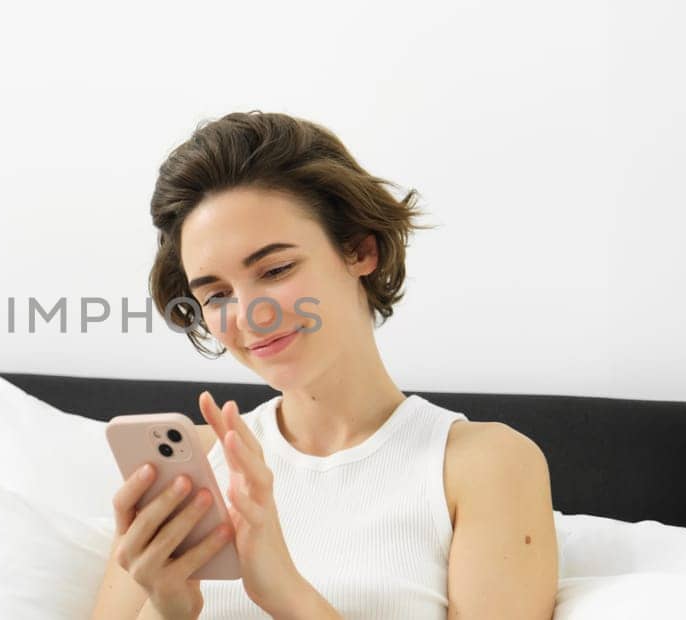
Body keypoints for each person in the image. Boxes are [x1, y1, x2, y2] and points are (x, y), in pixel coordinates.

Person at [90, 111, 558, 619]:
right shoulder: (192, 471)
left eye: (276, 269)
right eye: (217, 293)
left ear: (359, 250)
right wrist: (170, 610)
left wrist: (286, 593)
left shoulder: (481, 466)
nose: (249, 315)